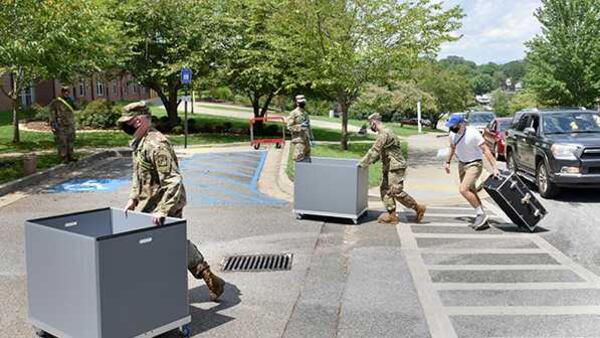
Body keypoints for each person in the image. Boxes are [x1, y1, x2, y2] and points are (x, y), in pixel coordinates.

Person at [118, 101, 225, 301]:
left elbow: (173, 180)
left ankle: (176, 291)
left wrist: (163, 210)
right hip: (148, 205)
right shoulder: (140, 143)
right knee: (168, 244)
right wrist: (133, 197)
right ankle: (203, 276)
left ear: (138, 120)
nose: (124, 126)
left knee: (168, 246)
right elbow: (138, 174)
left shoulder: (157, 144)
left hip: (166, 204)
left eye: (127, 122)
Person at [358, 113, 426, 224]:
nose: (370, 126)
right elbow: (381, 152)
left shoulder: (384, 134)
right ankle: (392, 216)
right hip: (388, 166)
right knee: (385, 190)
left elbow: (374, 151)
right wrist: (373, 161)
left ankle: (418, 208)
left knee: (395, 191)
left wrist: (362, 164)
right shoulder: (385, 132)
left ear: (374, 122)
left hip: (396, 166)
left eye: (370, 123)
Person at [444, 114, 500, 230]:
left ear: (461, 124)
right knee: (471, 191)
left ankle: (480, 214)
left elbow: (486, 150)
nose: (451, 128)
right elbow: (452, 148)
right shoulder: (452, 135)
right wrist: (448, 162)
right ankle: (482, 216)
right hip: (462, 164)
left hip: (475, 164)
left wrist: (494, 167)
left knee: (463, 189)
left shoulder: (473, 133)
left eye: (453, 126)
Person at [48, 86, 76, 163]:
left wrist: (73, 101)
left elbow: (76, 108)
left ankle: (71, 156)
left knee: (71, 141)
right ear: (61, 92)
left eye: (67, 91)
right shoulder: (56, 102)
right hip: (61, 126)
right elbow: (52, 113)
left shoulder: (70, 101)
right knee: (62, 142)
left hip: (70, 124)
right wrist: (53, 125)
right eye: (64, 91)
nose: (66, 93)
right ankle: (64, 158)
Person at [287, 95, 312, 162]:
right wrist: (300, 126)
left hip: (306, 140)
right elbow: (289, 127)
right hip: (298, 140)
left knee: (307, 160)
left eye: (303, 102)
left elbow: (308, 126)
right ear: (297, 103)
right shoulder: (293, 113)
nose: (303, 103)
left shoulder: (305, 113)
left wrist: (311, 137)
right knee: (299, 159)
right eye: (301, 102)